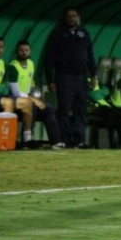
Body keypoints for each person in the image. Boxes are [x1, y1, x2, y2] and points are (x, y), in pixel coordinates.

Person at [42, 8, 97, 149]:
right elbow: (49, 57)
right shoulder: (58, 33)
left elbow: (90, 55)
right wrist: (50, 80)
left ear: (78, 17)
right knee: (64, 109)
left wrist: (94, 75)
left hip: (81, 77)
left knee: (81, 109)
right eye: (68, 16)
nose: (71, 18)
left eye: (74, 16)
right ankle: (64, 139)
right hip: (64, 76)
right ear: (65, 18)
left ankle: (79, 140)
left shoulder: (84, 33)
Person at [7, 39, 64, 150]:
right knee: (32, 106)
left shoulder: (31, 64)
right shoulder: (12, 67)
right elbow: (15, 92)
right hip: (15, 99)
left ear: (30, 52)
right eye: (21, 50)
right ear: (16, 52)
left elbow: (30, 83)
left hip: (27, 96)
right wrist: (33, 99)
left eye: (26, 50)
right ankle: (27, 139)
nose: (24, 52)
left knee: (49, 108)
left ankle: (55, 141)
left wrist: (34, 96)